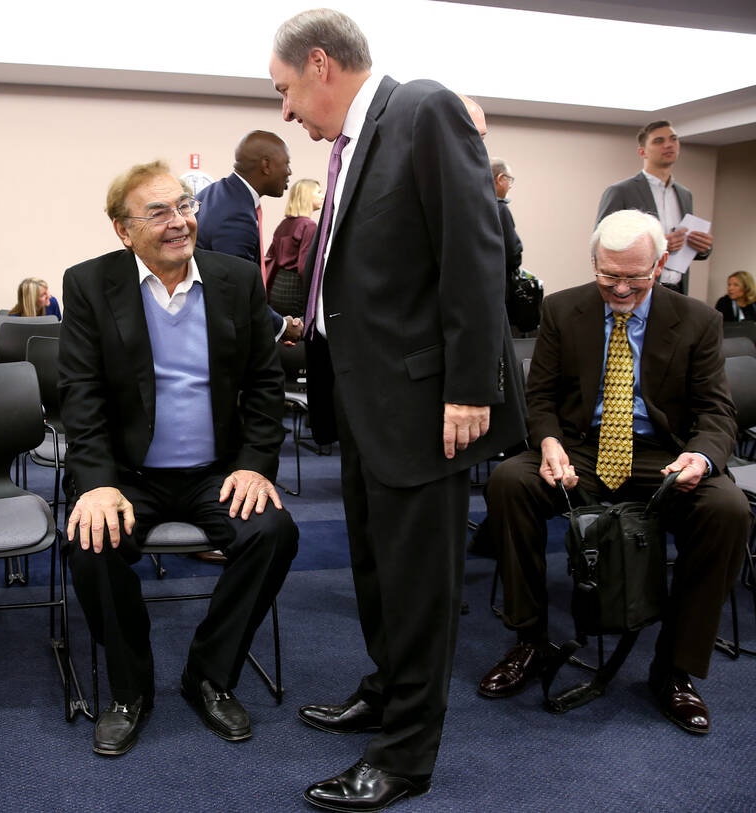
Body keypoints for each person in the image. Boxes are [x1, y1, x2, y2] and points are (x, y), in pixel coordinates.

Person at [269, 10, 525, 811]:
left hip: (427, 403)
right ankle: (386, 690)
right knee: (378, 572)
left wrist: (471, 385)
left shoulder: (423, 108)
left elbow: (474, 250)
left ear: (319, 66)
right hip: (367, 404)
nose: (284, 112)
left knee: (418, 585)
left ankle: (406, 754)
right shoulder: (355, 143)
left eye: (283, 90)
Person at [58, 160, 299, 758]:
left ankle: (209, 676)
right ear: (123, 229)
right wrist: (96, 483)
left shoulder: (237, 279)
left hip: (214, 473)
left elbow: (265, 387)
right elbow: (80, 395)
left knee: (273, 532)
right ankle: (129, 692)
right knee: (92, 542)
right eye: (158, 212)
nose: (178, 222)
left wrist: (253, 465)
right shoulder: (90, 283)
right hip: (126, 475)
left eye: (184, 207)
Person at [477, 209, 748, 736]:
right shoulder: (562, 309)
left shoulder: (697, 321)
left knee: (727, 510)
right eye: (608, 275)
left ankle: (673, 668)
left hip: (659, 454)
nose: (620, 288)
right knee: (510, 481)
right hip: (580, 449)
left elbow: (717, 412)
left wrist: (702, 457)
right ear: (594, 262)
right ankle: (530, 641)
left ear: (661, 264)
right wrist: (549, 441)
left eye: (634, 276)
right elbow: (541, 398)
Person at [196, 131, 302, 343]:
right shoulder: (235, 215)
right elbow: (236, 292)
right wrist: (281, 327)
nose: (289, 172)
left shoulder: (216, 193)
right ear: (266, 165)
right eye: (287, 164)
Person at [596, 121, 713, 294]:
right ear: (642, 152)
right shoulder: (621, 191)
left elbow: (683, 248)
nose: (668, 145)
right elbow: (601, 243)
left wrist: (703, 248)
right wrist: (657, 245)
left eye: (673, 139)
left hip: (677, 289)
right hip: (634, 289)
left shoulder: (685, 194)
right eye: (658, 141)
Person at [265, 178, 322, 317]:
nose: (322, 196)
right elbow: (304, 266)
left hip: (277, 286)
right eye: (318, 192)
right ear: (307, 196)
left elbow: (271, 255)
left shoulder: (284, 223)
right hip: (295, 287)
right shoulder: (309, 226)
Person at [492, 158, 523, 293]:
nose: (510, 185)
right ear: (500, 178)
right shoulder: (500, 209)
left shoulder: (475, 205)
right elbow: (512, 253)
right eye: (509, 180)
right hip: (500, 286)